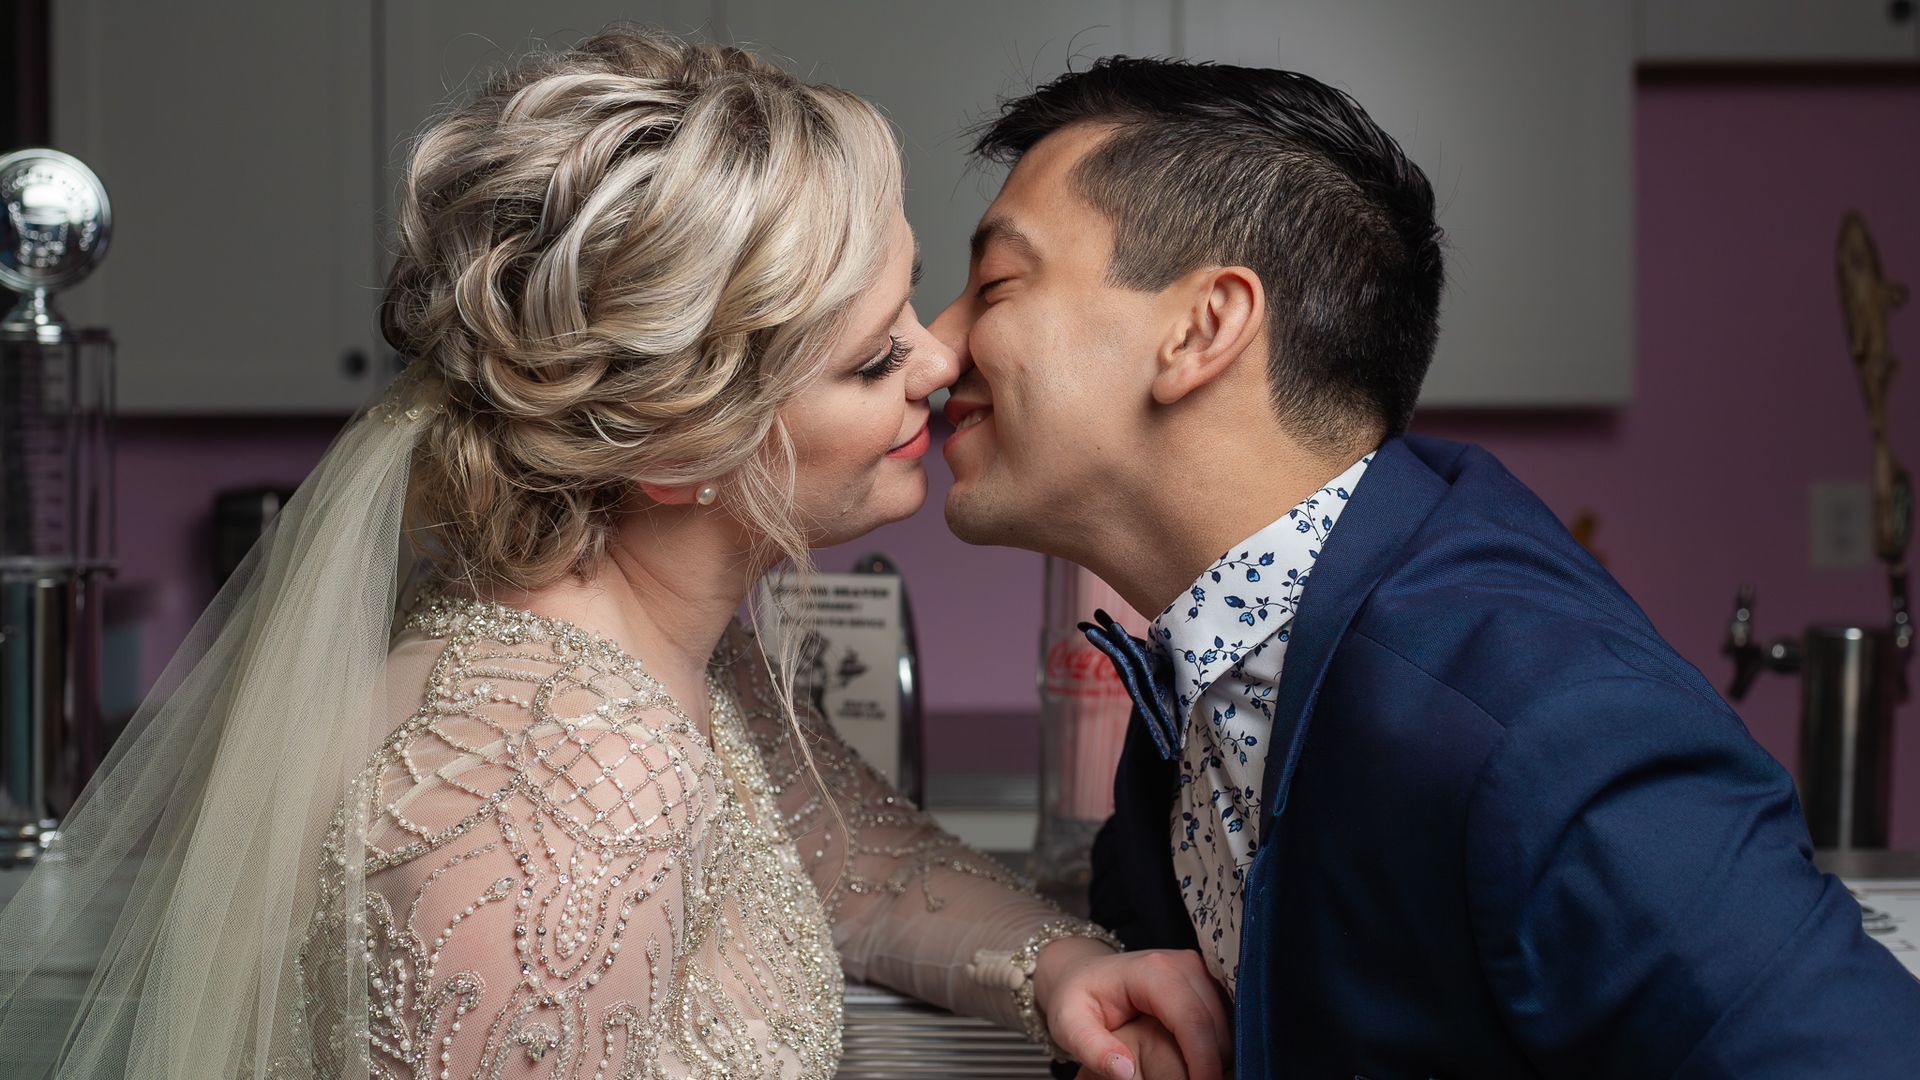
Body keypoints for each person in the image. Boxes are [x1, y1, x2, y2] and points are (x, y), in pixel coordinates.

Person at [0, 31, 1228, 1079]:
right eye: (869, 360)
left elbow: (850, 863)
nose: (938, 361)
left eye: (907, 306)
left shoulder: (648, 652)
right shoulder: (552, 800)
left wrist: (1058, 966)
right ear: (677, 452)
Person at [929, 57, 1920, 1077]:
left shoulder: (1545, 728)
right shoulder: (1201, 667)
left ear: (1204, 327)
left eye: (995, 285)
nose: (932, 345)